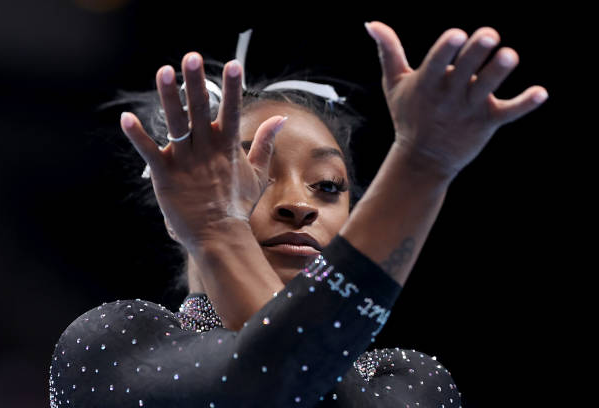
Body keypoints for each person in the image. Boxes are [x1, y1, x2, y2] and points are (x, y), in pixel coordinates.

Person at [48, 21, 548, 407]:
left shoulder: (409, 381)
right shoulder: (115, 342)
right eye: (256, 179)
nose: (299, 204)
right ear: (174, 206)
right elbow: (276, 380)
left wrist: (427, 161)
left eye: (329, 187)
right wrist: (419, 169)